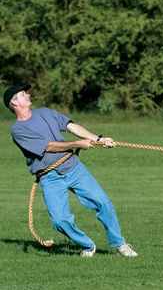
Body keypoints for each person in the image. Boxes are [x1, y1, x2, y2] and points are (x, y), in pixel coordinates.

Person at [4, 84, 137, 258]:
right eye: (23, 94)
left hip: (73, 168)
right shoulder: (18, 130)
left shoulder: (45, 112)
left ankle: (120, 244)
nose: (28, 95)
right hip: (49, 177)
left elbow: (72, 127)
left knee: (103, 202)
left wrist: (98, 139)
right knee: (60, 221)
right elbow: (48, 146)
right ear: (15, 103)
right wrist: (76, 144)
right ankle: (88, 245)